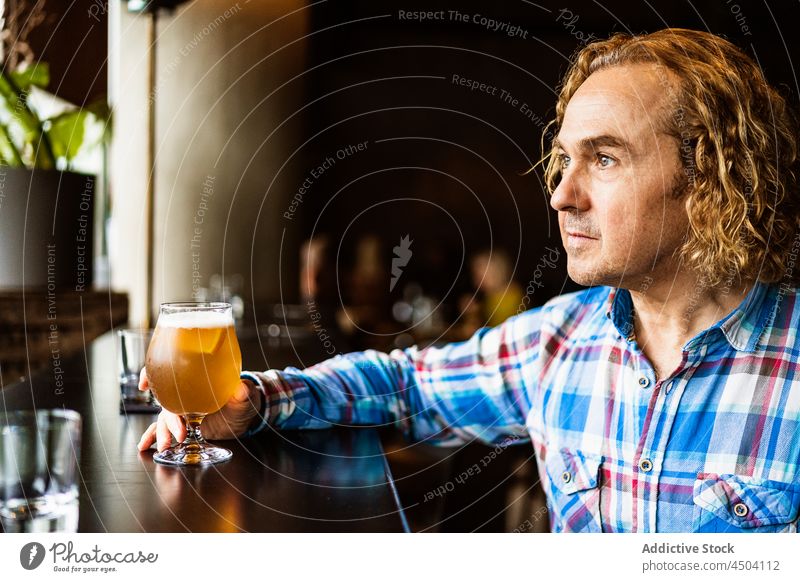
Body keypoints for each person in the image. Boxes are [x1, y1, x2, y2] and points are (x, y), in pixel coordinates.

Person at [138, 29, 800, 533]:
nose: (562, 195)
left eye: (603, 158)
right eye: (563, 160)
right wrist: (253, 402)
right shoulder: (557, 345)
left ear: (711, 176)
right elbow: (405, 387)